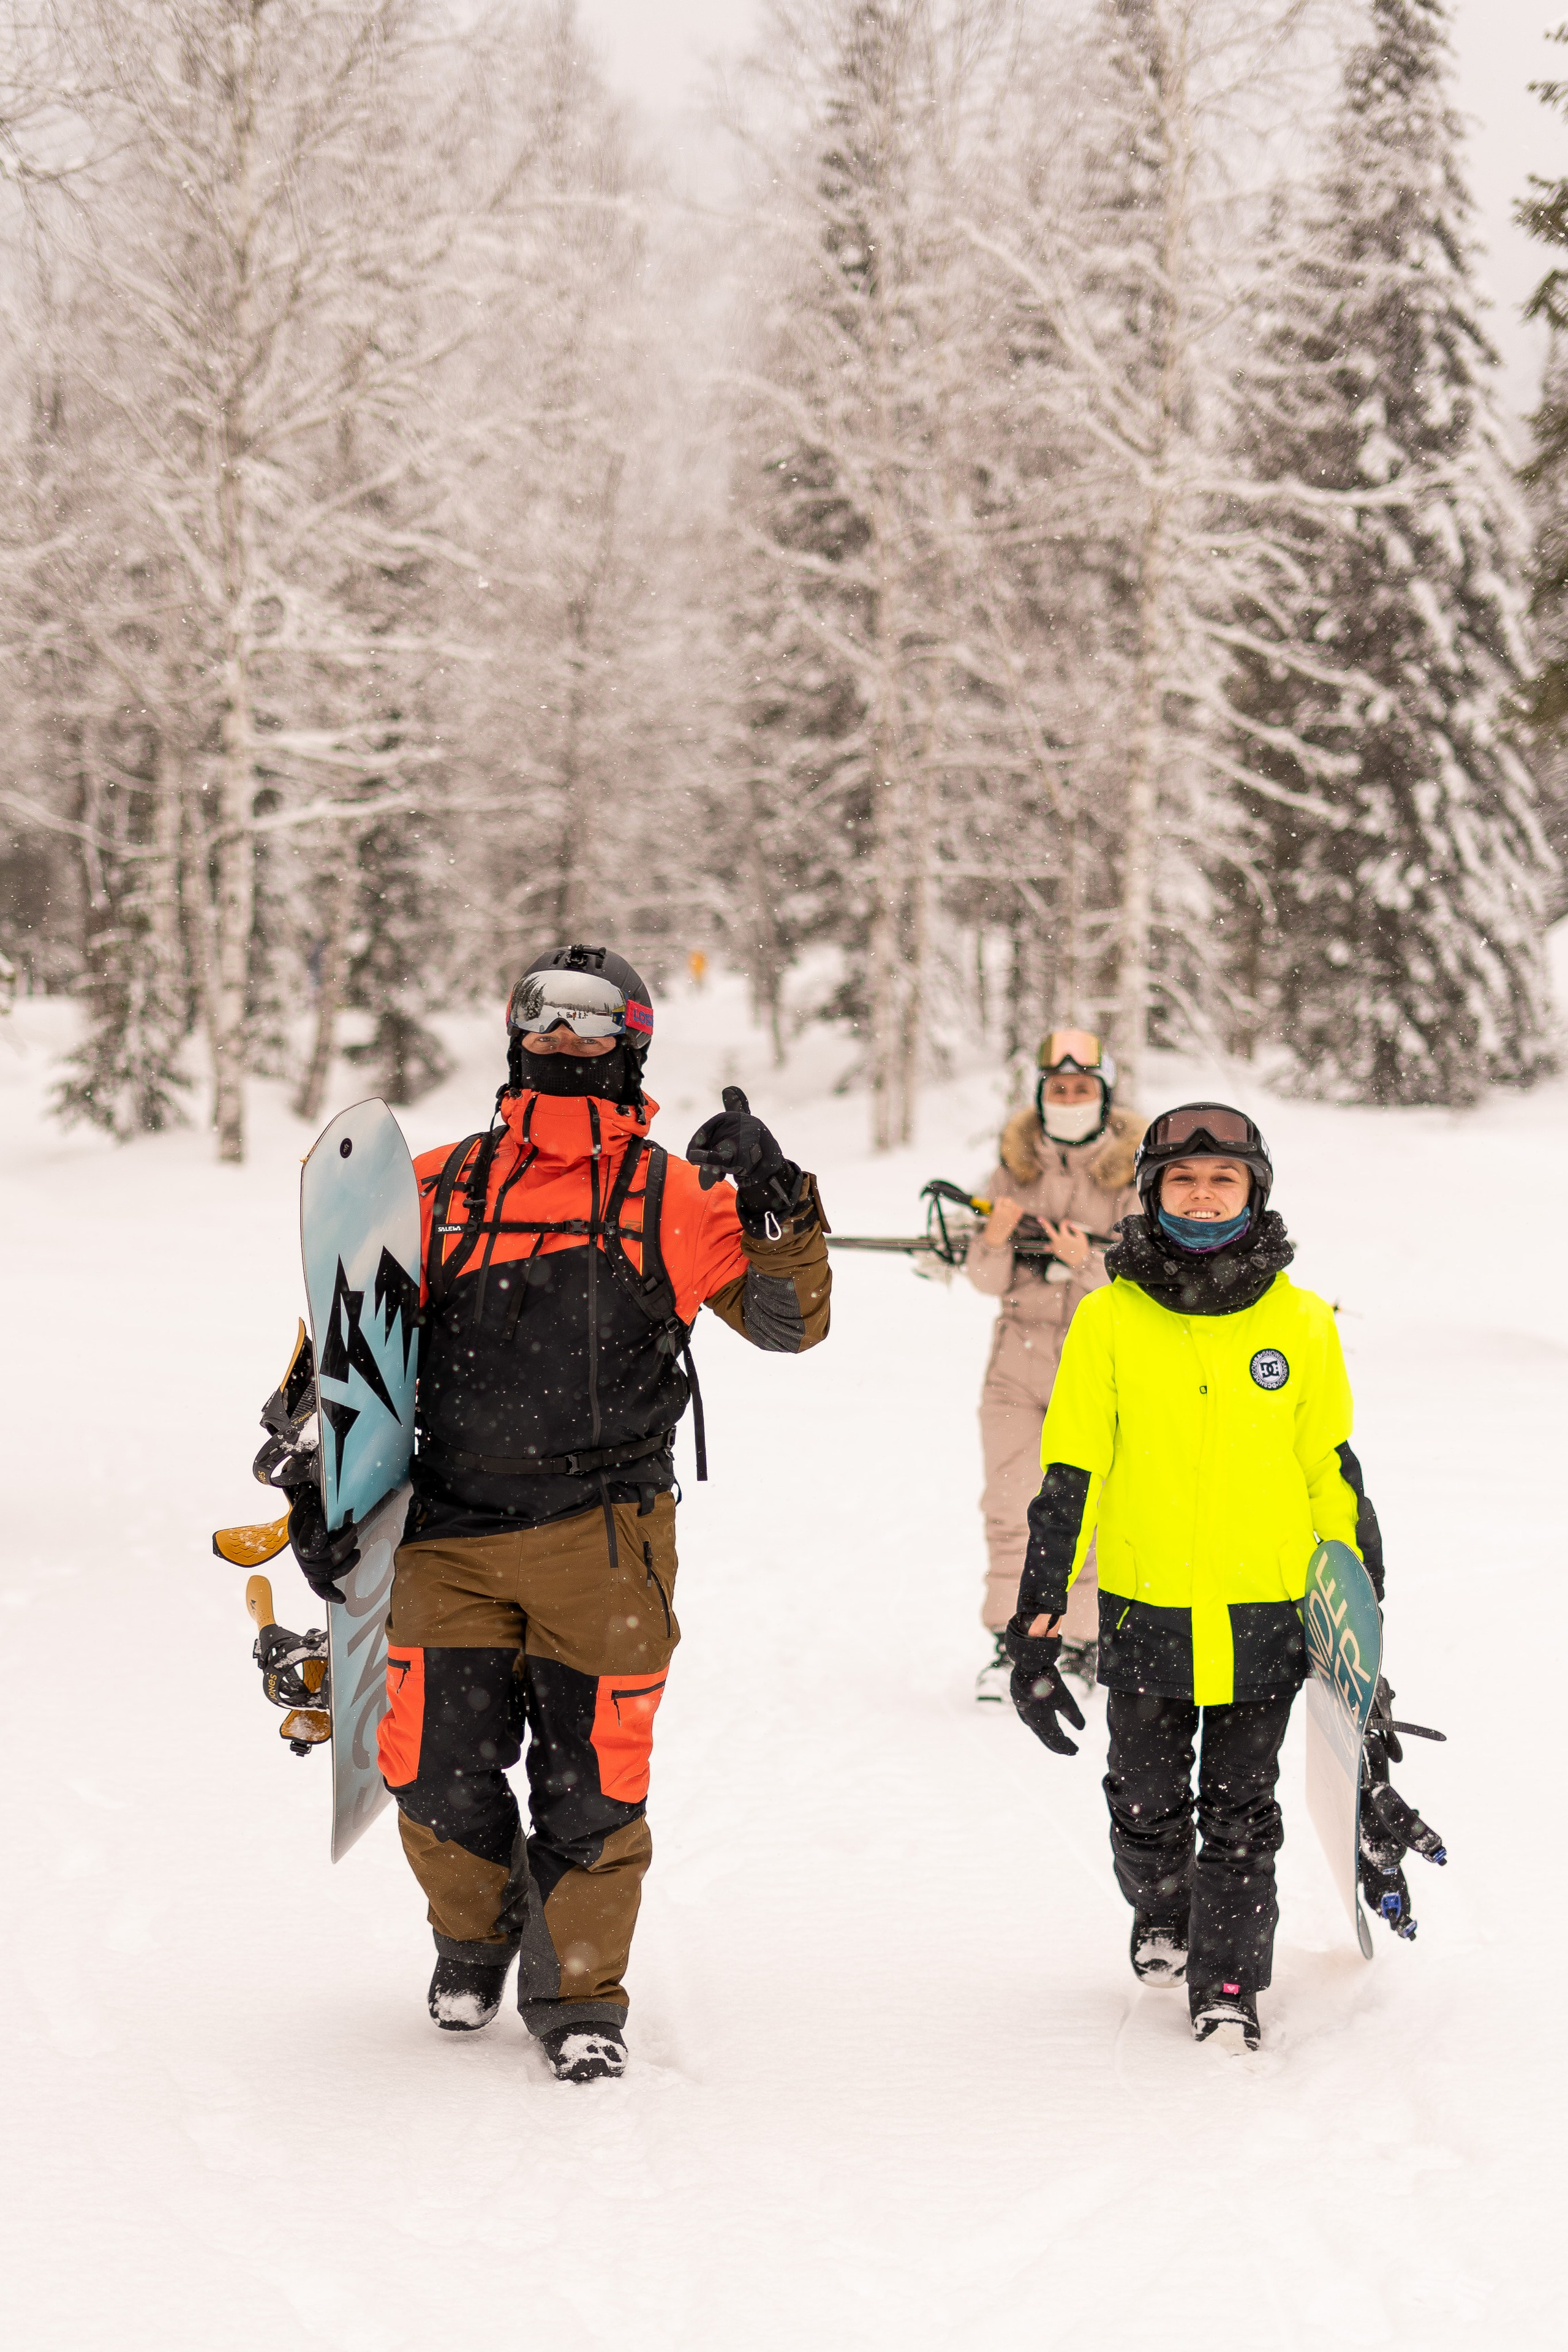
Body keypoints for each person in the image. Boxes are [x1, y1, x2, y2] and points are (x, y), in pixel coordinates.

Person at [288, 946, 831, 2082]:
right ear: (514, 1034)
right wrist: (313, 1483)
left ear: (630, 1042)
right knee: (435, 1772)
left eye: (594, 1028)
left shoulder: (672, 1195)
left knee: (595, 1784)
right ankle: (475, 1941)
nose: (567, 1044)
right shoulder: (434, 1186)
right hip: (445, 1531)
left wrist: (781, 1206)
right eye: (547, 1022)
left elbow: (787, 1325)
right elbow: (337, 1359)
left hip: (606, 1540)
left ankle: (581, 1993)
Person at [1002, 1102, 1389, 2052]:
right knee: (1143, 1804)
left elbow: (1330, 1474)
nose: (1205, 1196)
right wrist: (1039, 1613)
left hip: (1267, 1608)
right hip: (1147, 1607)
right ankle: (1162, 1911)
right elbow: (1072, 1473)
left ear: (1255, 1191)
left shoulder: (1300, 1321)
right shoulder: (1110, 1319)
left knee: (1242, 1810)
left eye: (1225, 1180)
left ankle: (1226, 1979)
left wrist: (1362, 1615)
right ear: (1151, 1190)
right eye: (1185, 1179)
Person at [965, 1031, 1142, 1703]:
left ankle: (1084, 1642)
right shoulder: (1013, 1168)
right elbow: (985, 1279)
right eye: (1059, 1089)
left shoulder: (1132, 1174)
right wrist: (994, 1236)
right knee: (1011, 1506)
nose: (1070, 1099)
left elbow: (1139, 1281)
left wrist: (1083, 1263)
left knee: (1089, 1509)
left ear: (1104, 1095)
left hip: (1097, 1365)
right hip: (1016, 1359)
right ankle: (1010, 1642)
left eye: (1083, 1089)